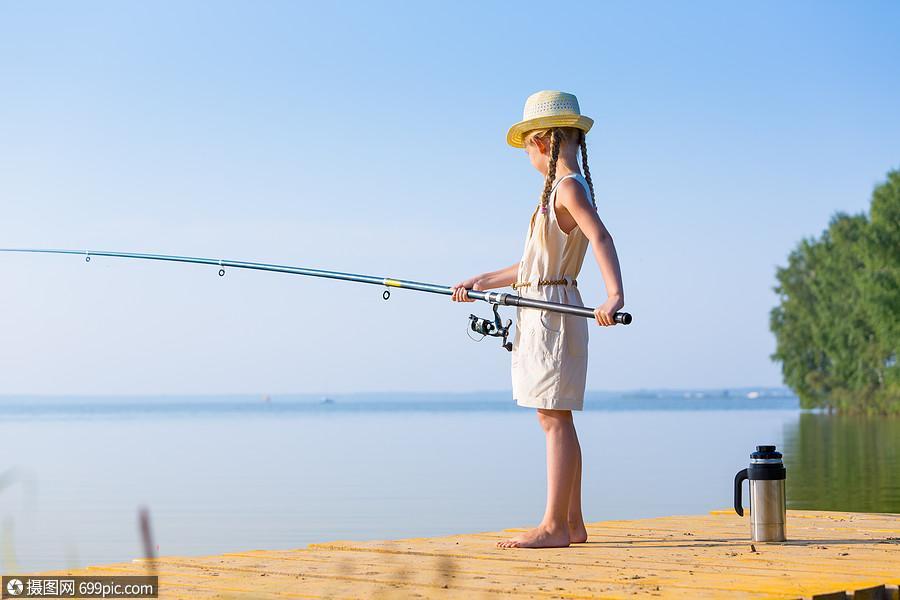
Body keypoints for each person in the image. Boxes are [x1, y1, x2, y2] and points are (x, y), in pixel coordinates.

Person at [451, 90, 625, 548]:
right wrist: (484, 279)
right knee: (556, 415)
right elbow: (533, 268)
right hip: (542, 304)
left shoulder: (567, 188)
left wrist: (614, 295)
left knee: (554, 417)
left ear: (543, 142)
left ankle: (553, 526)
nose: (527, 153)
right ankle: (573, 522)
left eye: (528, 144)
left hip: (553, 314)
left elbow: (601, 236)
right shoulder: (559, 191)